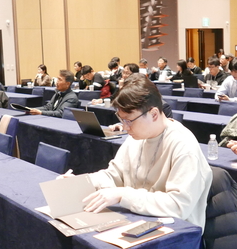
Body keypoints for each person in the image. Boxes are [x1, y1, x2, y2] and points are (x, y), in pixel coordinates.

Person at [76, 74, 212, 228]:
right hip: (139, 219)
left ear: (153, 114)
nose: (125, 127)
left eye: (129, 120)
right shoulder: (136, 137)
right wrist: (81, 182)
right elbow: (114, 175)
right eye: (121, 120)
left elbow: (178, 206)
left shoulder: (183, 145)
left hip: (177, 231)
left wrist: (123, 194)